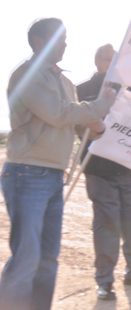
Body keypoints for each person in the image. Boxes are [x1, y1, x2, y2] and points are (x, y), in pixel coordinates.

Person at [0, 18, 115, 310]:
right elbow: (57, 113)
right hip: (27, 173)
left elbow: (72, 121)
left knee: (48, 257)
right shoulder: (26, 74)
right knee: (27, 257)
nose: (66, 43)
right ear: (39, 42)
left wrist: (94, 125)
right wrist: (101, 106)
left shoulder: (64, 81)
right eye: (59, 38)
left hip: (52, 175)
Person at [77, 44, 131, 301]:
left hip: (129, 167)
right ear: (97, 61)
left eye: (116, 61)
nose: (112, 65)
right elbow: (77, 127)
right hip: (99, 169)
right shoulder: (82, 90)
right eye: (107, 60)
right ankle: (105, 280)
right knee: (106, 225)